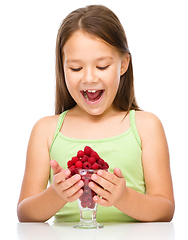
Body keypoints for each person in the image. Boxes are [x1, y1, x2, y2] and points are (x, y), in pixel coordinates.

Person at [17, 5, 175, 223]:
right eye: (75, 68)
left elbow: (165, 209)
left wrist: (123, 196)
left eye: (102, 66)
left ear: (123, 64)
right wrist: (55, 194)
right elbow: (25, 214)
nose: (89, 78)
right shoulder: (46, 130)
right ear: (62, 68)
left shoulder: (146, 126)